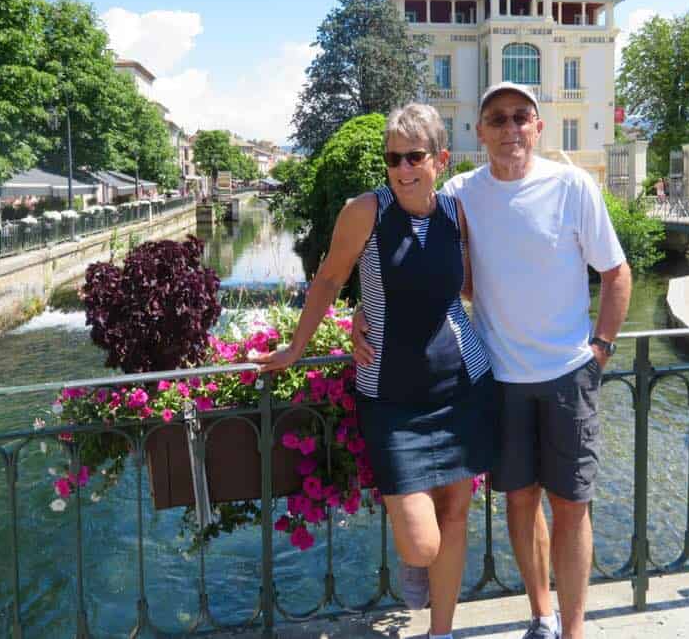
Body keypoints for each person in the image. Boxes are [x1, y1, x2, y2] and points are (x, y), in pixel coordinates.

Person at [354, 82, 632, 639]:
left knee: (572, 507)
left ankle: (573, 630)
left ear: (538, 126)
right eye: (497, 119)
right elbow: (413, 261)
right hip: (496, 379)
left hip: (567, 373)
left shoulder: (573, 185)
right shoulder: (457, 194)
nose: (510, 129)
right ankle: (541, 616)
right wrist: (364, 308)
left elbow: (616, 273)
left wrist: (600, 348)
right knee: (521, 504)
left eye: (520, 117)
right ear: (478, 132)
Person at [251, 103, 496, 639]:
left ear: (440, 158)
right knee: (422, 542)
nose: (403, 168)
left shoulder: (457, 215)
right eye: (393, 158)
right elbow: (327, 280)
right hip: (390, 396)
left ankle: (442, 632)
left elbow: (469, 292)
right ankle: (414, 563)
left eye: (415, 156)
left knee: (455, 513)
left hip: (461, 385)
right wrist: (297, 347)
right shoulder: (365, 210)